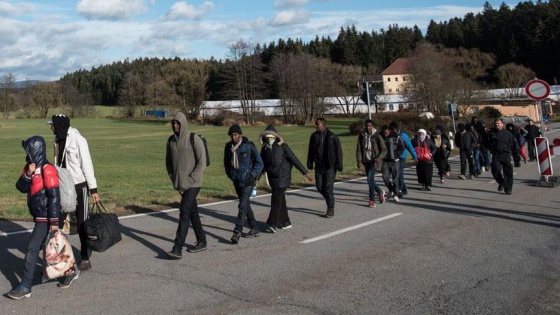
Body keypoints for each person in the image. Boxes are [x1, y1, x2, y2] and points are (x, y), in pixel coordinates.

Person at [7, 136, 80, 300]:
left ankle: (26, 286)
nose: (26, 154)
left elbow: (54, 197)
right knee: (52, 246)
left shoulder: (48, 169)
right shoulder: (30, 167)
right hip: (40, 216)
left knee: (32, 249)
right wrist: (28, 174)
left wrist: (54, 222)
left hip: (47, 217)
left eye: (28, 150)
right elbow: (20, 187)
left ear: (36, 150)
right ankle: (70, 272)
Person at [48, 114, 99, 271]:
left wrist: (93, 189)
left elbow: (87, 165)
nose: (51, 128)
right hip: (63, 188)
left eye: (53, 125)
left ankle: (85, 257)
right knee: (58, 223)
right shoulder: (57, 141)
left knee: (83, 223)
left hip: (79, 187)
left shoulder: (78, 140)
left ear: (59, 125)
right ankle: (58, 258)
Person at [166, 112, 208, 259]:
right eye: (173, 123)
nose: (175, 125)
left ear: (183, 123)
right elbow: (168, 163)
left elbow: (202, 162)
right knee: (192, 212)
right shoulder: (171, 141)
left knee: (184, 212)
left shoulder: (193, 138)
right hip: (181, 183)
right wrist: (173, 178)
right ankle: (202, 240)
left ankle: (177, 248)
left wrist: (191, 179)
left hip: (194, 183)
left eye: (177, 123)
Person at [259, 125, 312, 232]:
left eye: (271, 137)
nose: (269, 139)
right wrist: (256, 178)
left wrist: (305, 172)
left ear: (276, 137)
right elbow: (261, 165)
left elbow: (294, 160)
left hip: (283, 177)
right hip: (272, 178)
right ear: (264, 138)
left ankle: (272, 223)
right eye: (267, 137)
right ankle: (285, 222)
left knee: (275, 199)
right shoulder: (264, 149)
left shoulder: (283, 147)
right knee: (280, 200)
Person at [224, 124, 264, 244]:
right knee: (245, 205)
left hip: (248, 181)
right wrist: (230, 175)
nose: (233, 137)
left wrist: (252, 175)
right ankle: (254, 227)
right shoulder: (228, 147)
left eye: (235, 135)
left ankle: (237, 231)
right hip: (236, 180)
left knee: (242, 205)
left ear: (240, 135)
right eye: (231, 135)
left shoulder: (248, 146)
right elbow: (226, 163)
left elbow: (259, 163)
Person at [307, 117, 343, 218]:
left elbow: (339, 151)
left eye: (317, 124)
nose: (315, 126)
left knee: (328, 187)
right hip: (319, 166)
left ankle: (330, 208)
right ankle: (330, 199)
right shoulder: (314, 136)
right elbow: (310, 150)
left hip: (330, 167)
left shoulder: (332, 136)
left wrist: (339, 164)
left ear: (323, 125)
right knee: (319, 187)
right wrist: (310, 163)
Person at [356, 119, 387, 207]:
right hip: (366, 160)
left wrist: (379, 158)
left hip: (374, 161)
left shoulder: (377, 136)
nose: (368, 127)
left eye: (369, 126)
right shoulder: (362, 135)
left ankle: (371, 200)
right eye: (366, 126)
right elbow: (358, 149)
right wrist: (359, 161)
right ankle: (380, 191)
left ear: (372, 126)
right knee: (371, 180)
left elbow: (384, 150)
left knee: (370, 180)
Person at [488, 119, 519, 194]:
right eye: (495, 123)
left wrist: (516, 156)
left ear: (502, 124)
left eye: (498, 123)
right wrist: (491, 149)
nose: (497, 125)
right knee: (495, 169)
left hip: (506, 154)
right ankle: (502, 182)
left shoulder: (508, 134)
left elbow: (514, 144)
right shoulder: (491, 133)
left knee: (508, 172)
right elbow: (487, 142)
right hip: (496, 154)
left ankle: (508, 189)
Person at [389, 122, 417, 197]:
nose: (393, 131)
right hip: (394, 157)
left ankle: (400, 190)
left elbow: (410, 146)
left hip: (402, 157)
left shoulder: (403, 136)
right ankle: (403, 188)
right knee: (396, 174)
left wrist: (415, 157)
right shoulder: (390, 135)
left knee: (399, 173)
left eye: (394, 129)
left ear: (397, 129)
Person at [380, 125, 404, 201]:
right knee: (385, 177)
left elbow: (402, 147)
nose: (385, 134)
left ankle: (396, 194)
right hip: (385, 160)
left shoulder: (396, 137)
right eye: (384, 132)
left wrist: (397, 154)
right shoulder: (380, 137)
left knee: (395, 178)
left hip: (395, 160)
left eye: (386, 132)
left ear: (389, 131)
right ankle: (391, 189)